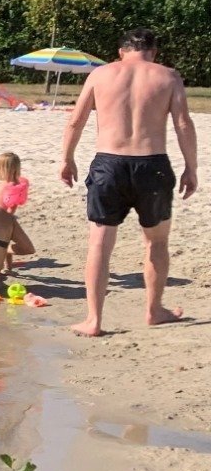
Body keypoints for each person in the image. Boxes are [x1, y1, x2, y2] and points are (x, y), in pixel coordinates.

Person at [60, 28, 198, 334]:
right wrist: (192, 167)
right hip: (153, 166)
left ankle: (93, 320)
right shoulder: (168, 76)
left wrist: (67, 158)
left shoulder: (100, 75)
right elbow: (183, 124)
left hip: (109, 164)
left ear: (121, 51)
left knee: (99, 243)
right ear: (154, 52)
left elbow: (76, 120)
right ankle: (153, 310)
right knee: (157, 241)